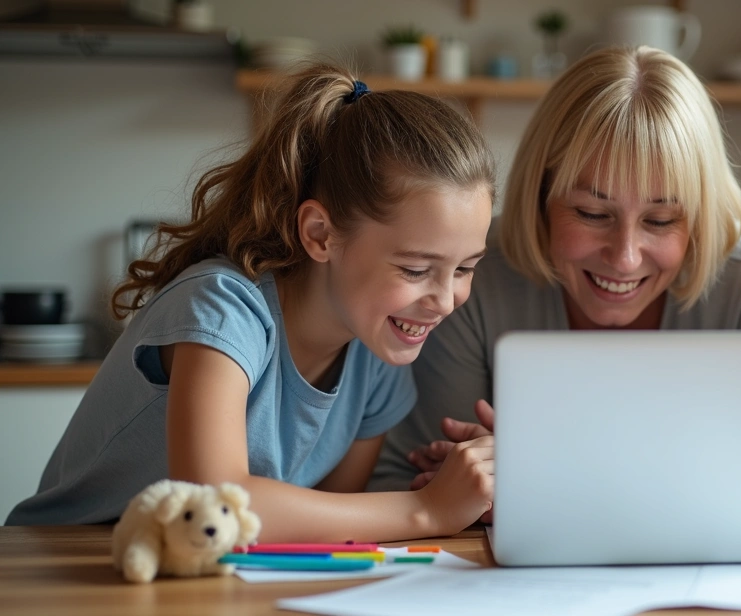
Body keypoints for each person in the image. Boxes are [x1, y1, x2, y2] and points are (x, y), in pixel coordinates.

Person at [370, 45, 741, 493]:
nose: (624, 256)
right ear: (540, 195)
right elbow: (424, 478)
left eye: (662, 219)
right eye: (592, 214)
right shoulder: (470, 277)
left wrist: (553, 476)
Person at [7, 64, 498, 543]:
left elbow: (331, 527)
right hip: (69, 560)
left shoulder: (379, 349)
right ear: (320, 234)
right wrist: (426, 508)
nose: (444, 299)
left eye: (464, 268)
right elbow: (214, 504)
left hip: (204, 576)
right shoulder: (221, 307)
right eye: (415, 270)